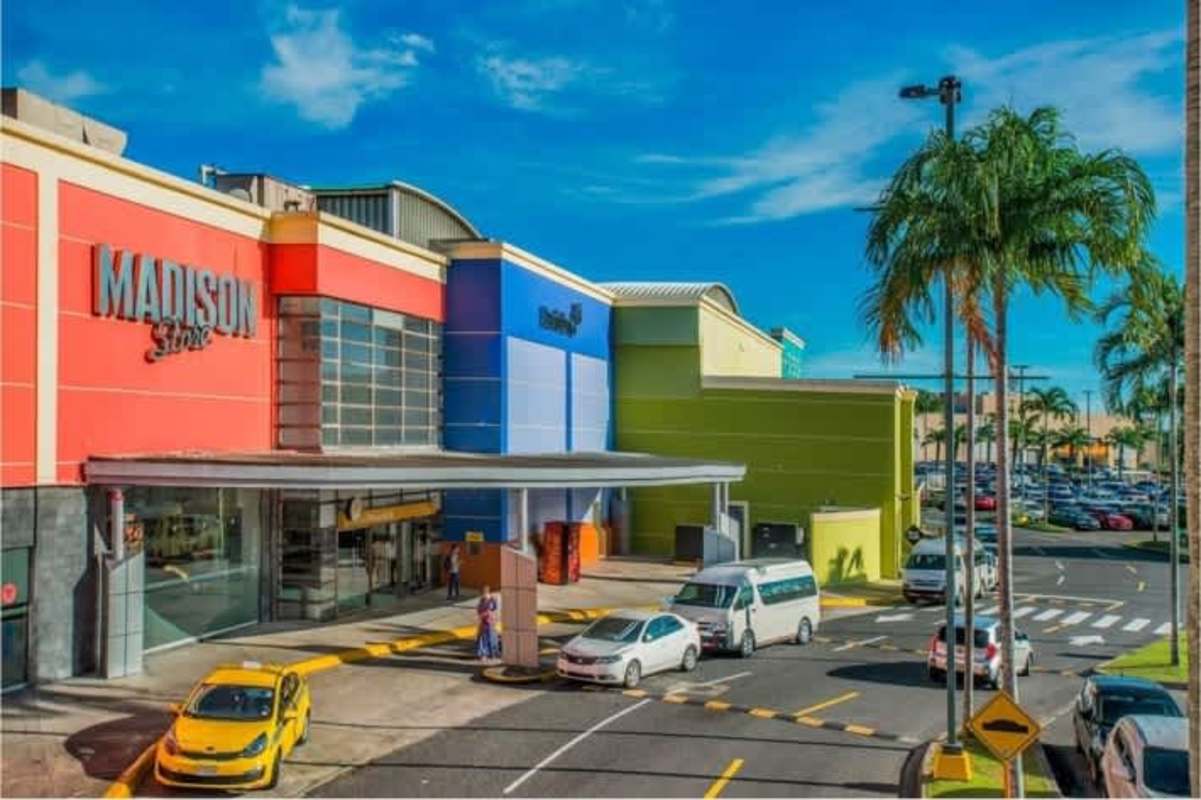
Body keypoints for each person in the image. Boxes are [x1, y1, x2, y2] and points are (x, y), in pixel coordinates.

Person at [476, 585, 500, 662]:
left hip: (489, 622)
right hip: (485, 622)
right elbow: (479, 610)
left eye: (484, 593)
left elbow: (491, 610)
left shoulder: (491, 600)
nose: (483, 595)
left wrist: (485, 614)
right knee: (483, 638)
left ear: (487, 592)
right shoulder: (482, 600)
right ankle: (484, 654)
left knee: (490, 638)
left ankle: (491, 654)